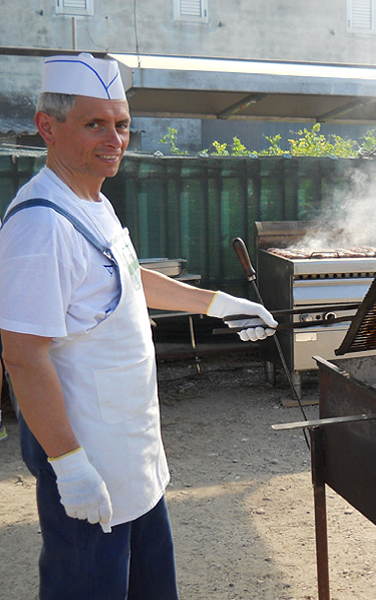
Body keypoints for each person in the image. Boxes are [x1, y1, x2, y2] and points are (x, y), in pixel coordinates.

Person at [0, 53, 278, 600]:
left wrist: (217, 303)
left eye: (122, 124)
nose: (115, 138)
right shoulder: (39, 225)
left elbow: (129, 280)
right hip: (88, 461)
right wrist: (70, 466)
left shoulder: (93, 201)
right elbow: (22, 355)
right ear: (46, 127)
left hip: (131, 453)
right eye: (94, 124)